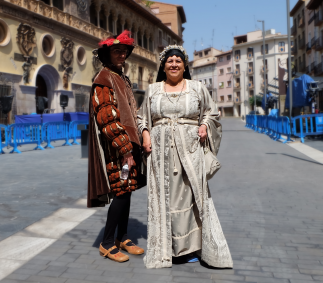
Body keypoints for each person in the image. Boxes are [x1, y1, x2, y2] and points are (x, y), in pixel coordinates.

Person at [137, 45, 233, 269]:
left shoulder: (197, 88)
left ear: (185, 65)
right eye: (169, 61)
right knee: (165, 199)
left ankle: (192, 248)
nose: (173, 64)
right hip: (161, 155)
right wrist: (145, 135)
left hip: (190, 153)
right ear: (163, 66)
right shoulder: (153, 90)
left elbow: (212, 112)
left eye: (178, 61)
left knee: (192, 197)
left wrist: (204, 125)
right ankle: (167, 249)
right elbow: (142, 118)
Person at [88, 30, 145, 263]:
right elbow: (106, 118)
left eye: (124, 51)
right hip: (117, 149)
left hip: (130, 146)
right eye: (116, 51)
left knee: (128, 190)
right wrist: (125, 149)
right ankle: (107, 242)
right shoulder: (104, 78)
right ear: (107, 54)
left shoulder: (121, 77)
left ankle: (123, 237)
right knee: (121, 193)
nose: (121, 54)